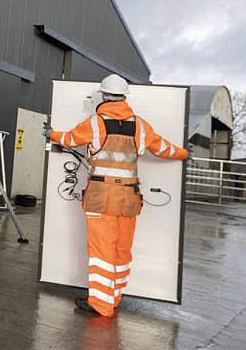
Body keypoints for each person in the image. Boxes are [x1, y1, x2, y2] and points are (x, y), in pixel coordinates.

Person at [43, 74, 187, 317]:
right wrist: (184, 153)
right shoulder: (140, 125)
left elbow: (69, 139)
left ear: (103, 95)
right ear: (124, 96)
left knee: (101, 251)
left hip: (101, 195)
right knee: (122, 250)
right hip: (129, 198)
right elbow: (162, 148)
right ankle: (114, 298)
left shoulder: (95, 122)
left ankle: (100, 305)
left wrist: (51, 134)